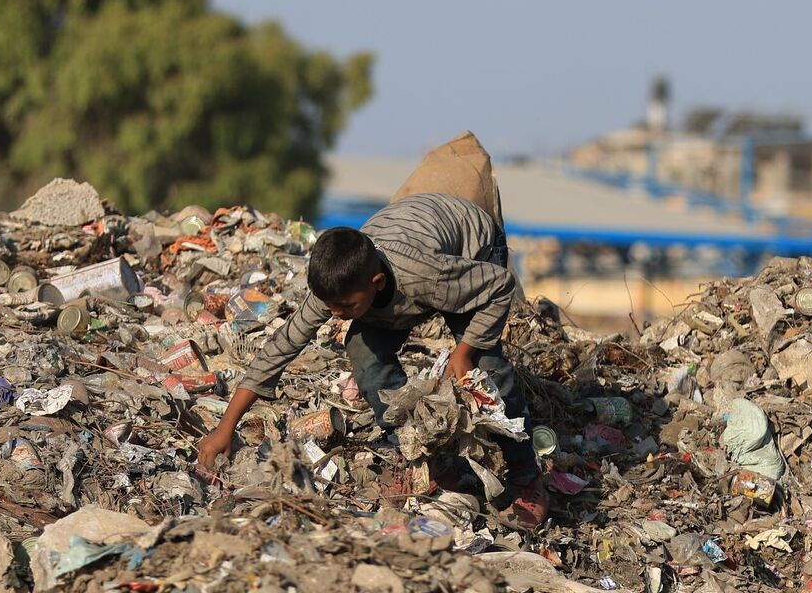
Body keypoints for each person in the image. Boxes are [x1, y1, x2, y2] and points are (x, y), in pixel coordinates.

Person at [193, 192, 548, 528]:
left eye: (345, 307)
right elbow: (282, 347)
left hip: (472, 245)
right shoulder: (338, 287)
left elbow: (499, 285)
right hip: (409, 239)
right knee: (362, 348)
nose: (335, 314)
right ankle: (418, 456)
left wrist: (464, 350)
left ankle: (525, 475)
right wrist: (225, 427)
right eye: (330, 306)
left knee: (484, 365)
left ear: (376, 282)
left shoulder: (430, 276)